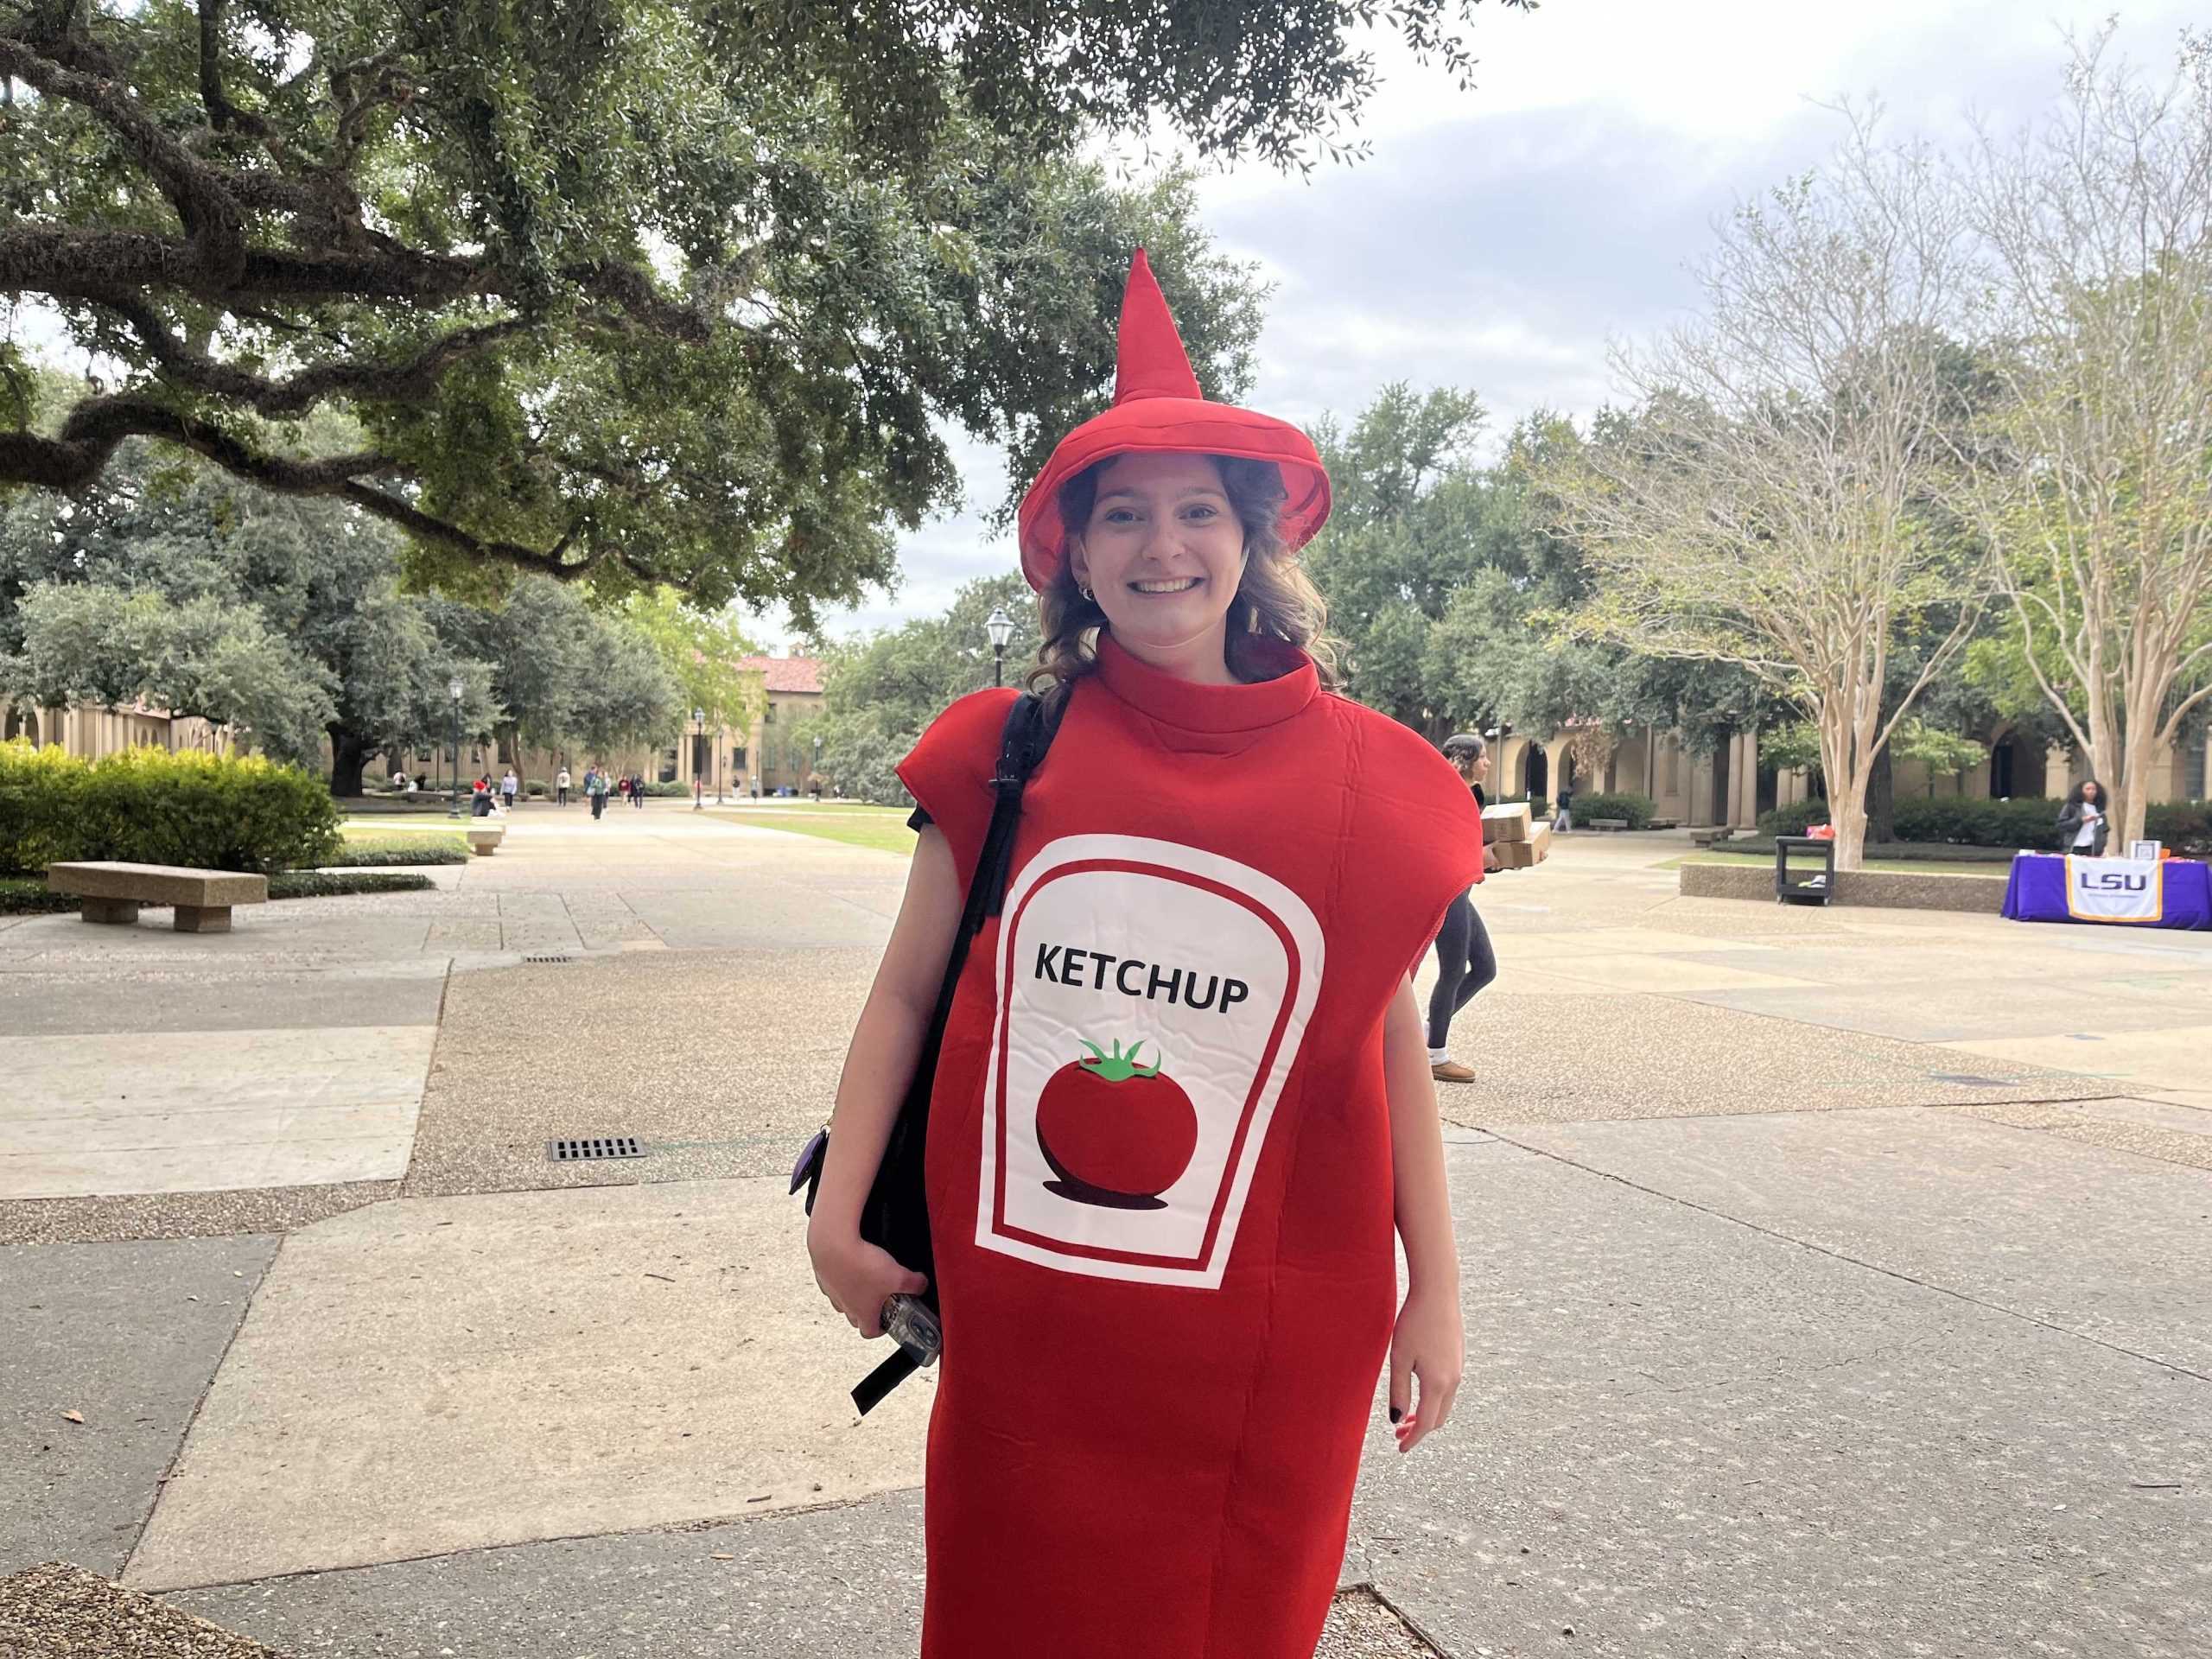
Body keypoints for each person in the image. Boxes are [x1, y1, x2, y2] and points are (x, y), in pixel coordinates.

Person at [805, 251, 1482, 1659]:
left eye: (1194, 512)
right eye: (1124, 514)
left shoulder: (1369, 786)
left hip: (1272, 1339)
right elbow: (906, 993)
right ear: (1076, 550)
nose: (1160, 546)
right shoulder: (1006, 751)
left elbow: (1381, 1045)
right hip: (1032, 1332)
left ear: (1250, 544)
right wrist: (838, 1212)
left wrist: (1439, 1291)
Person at [1427, 734, 1501, 1085]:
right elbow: (1439, 846)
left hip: (1462, 891)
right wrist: (1479, 857)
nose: (1487, 763)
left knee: (1485, 968)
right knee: (1453, 970)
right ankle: (1435, 1055)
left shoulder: (1474, 796)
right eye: (1483, 757)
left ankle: (1427, 1033)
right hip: (1444, 891)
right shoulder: (1445, 793)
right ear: (1464, 759)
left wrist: (1504, 860)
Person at [2056, 779, 2109, 856]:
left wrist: (2101, 845)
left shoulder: (2099, 810)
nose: (2091, 792)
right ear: (2080, 791)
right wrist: (2081, 820)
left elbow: (2104, 830)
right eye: (2087, 789)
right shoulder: (2072, 806)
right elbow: (2061, 825)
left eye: (2094, 789)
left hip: (2092, 849)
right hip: (2074, 847)